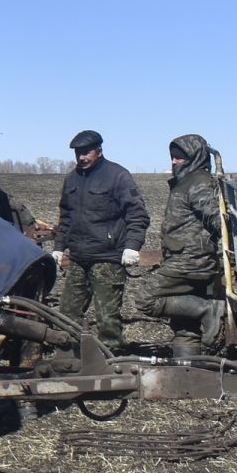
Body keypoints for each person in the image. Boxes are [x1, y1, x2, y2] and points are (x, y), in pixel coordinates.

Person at [49, 129, 148, 353]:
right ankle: (68, 359)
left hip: (107, 258)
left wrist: (132, 246)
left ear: (99, 151)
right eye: (78, 153)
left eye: (86, 152)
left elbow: (137, 214)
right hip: (78, 258)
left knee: (107, 320)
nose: (82, 157)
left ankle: (110, 365)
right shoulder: (72, 178)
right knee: (67, 315)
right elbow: (66, 216)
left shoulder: (117, 175)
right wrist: (58, 247)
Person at [144, 134, 225, 359]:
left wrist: (206, 247)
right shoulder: (186, 181)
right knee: (184, 323)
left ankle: (209, 310)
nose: (174, 161)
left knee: (146, 300)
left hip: (191, 260)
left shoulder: (198, 182)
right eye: (172, 157)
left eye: (179, 157)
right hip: (183, 257)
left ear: (193, 157)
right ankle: (187, 364)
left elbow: (218, 219)